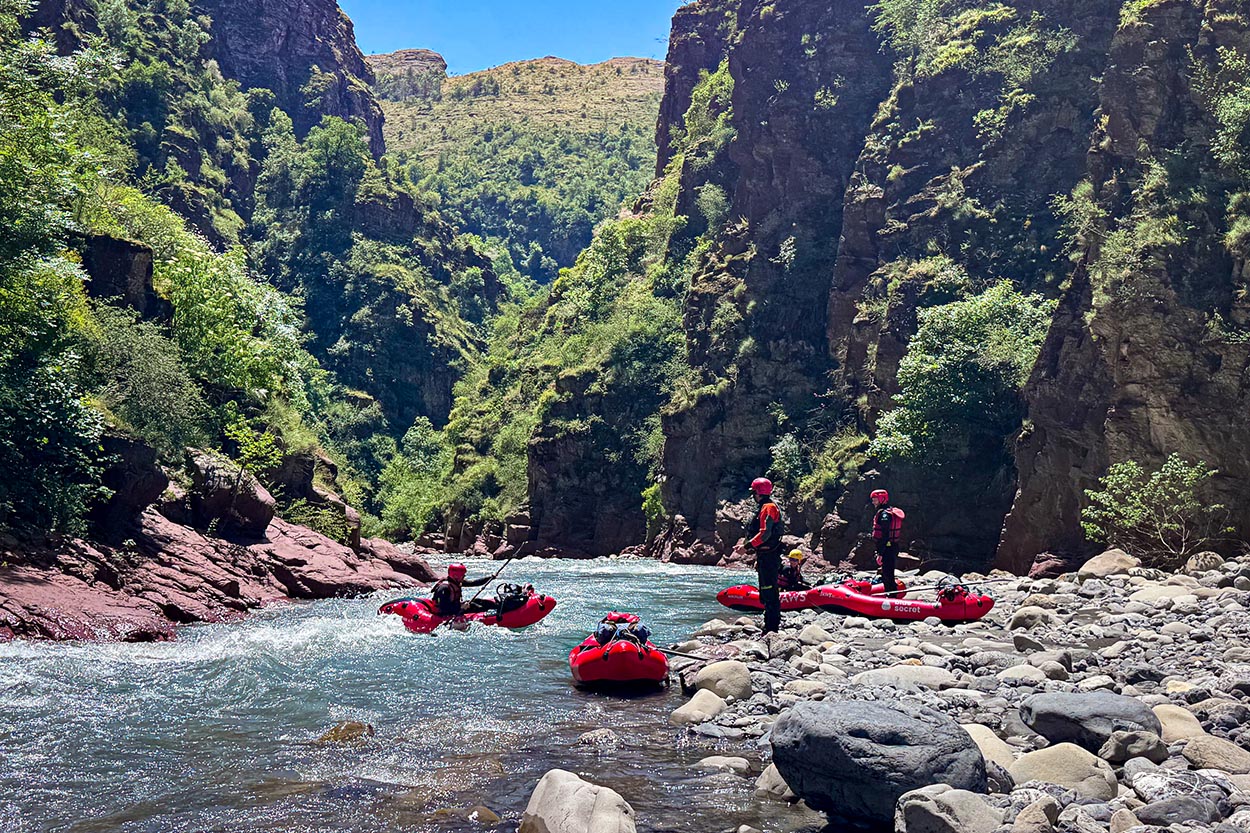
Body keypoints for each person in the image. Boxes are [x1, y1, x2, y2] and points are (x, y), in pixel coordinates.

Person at [743, 476, 785, 634]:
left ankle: (771, 627)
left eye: (754, 492)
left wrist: (746, 546)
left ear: (758, 493)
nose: (753, 496)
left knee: (768, 589)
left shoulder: (768, 507)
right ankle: (770, 623)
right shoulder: (768, 506)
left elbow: (765, 534)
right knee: (767, 588)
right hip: (767, 555)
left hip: (769, 556)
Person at [870, 489, 904, 595]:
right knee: (887, 573)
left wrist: (880, 553)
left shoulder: (884, 515)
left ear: (882, 499)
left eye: (875, 500)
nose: (873, 502)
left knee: (888, 575)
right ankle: (890, 594)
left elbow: (885, 536)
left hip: (888, 547)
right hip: (892, 546)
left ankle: (891, 598)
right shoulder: (888, 511)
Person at [430, 563, 495, 616]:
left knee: (478, 601)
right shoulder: (444, 589)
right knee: (476, 607)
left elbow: (473, 583)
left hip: (455, 606)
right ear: (456, 576)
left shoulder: (455, 581)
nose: (464, 576)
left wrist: (490, 578)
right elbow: (444, 609)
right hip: (446, 613)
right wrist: (461, 607)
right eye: (463, 575)